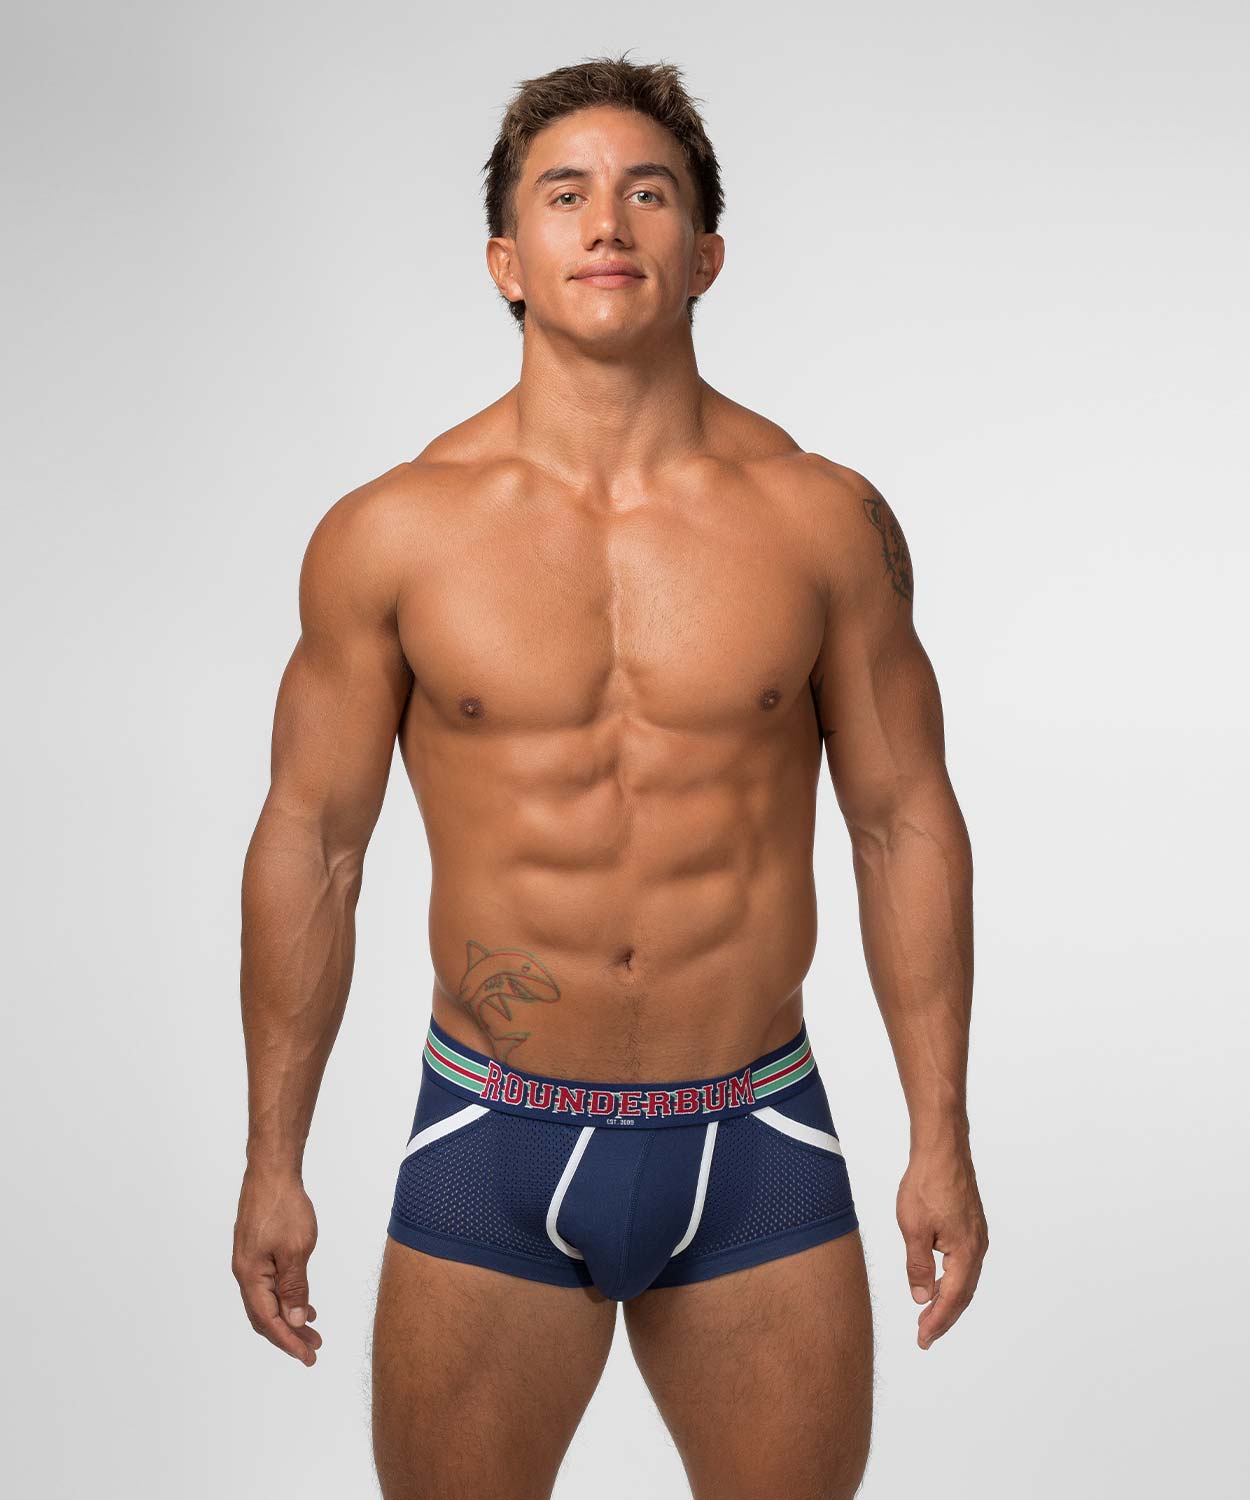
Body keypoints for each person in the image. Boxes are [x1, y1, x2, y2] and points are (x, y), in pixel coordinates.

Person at [231, 53, 989, 1500]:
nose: (606, 223)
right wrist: (274, 1157)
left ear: (703, 253)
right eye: (564, 194)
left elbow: (904, 824)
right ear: (506, 261)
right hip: (492, 1133)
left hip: (757, 1135)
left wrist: (939, 1134)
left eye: (648, 193)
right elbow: (312, 842)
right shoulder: (392, 534)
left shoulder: (820, 520)